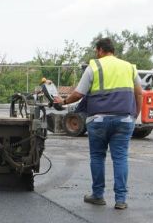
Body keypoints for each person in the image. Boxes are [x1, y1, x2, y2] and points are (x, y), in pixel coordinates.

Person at [61, 38, 143, 210]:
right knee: (120, 158)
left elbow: (78, 94)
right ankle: (121, 200)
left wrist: (63, 101)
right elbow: (139, 94)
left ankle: (98, 195)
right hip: (124, 119)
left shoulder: (94, 67)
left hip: (98, 120)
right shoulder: (129, 67)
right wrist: (134, 115)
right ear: (113, 50)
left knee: (98, 156)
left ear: (99, 50)